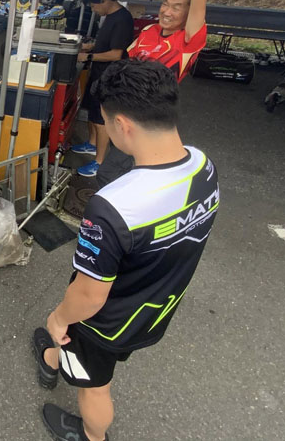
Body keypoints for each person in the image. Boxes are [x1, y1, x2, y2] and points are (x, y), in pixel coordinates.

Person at [32, 59, 220, 441]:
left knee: (95, 385)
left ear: (122, 124)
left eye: (104, 121)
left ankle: (91, 435)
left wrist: (59, 318)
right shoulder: (204, 166)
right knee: (76, 354)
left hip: (106, 322)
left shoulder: (114, 205)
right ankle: (52, 360)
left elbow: (89, 295)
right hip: (156, 307)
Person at [96, 0, 213, 187]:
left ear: (190, 12)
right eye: (165, 3)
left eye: (177, 7)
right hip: (125, 116)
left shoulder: (187, 41)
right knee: (118, 177)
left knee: (111, 176)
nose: (166, 12)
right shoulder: (149, 31)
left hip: (148, 123)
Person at [68, 0, 134, 178]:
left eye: (94, 5)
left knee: (101, 119)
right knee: (91, 112)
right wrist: (91, 46)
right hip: (98, 73)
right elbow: (107, 43)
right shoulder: (110, 16)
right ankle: (92, 144)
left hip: (110, 76)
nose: (94, 10)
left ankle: (100, 162)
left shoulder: (122, 19)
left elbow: (116, 53)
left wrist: (87, 56)